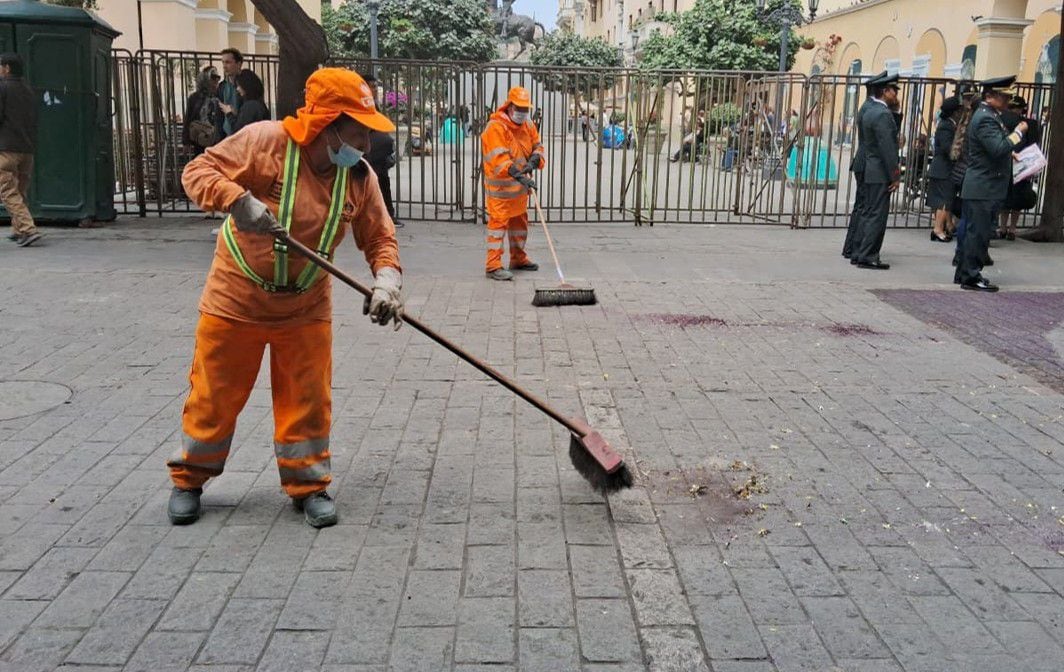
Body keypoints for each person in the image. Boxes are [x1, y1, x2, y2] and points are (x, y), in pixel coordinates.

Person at [168, 68, 403, 528]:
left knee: (308, 398)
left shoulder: (358, 175)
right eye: (358, 130)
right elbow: (198, 171)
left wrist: (388, 280)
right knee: (214, 395)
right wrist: (236, 199)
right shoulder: (266, 142)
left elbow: (379, 236)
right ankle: (189, 479)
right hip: (236, 299)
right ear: (328, 125)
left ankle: (308, 485)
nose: (367, 143)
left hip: (306, 304)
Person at [956, 76, 1026, 292]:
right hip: (984, 186)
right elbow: (997, 148)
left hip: (985, 185)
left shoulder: (990, 115)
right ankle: (971, 276)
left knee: (974, 232)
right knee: (978, 233)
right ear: (989, 96)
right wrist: (1018, 133)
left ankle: (965, 272)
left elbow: (994, 148)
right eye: (1003, 96)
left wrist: (1009, 153)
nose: (1007, 100)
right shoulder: (986, 117)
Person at [480, 86, 544, 281]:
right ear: (509, 106)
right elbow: (499, 159)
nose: (522, 113)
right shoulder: (496, 127)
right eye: (519, 108)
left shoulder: (528, 125)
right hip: (501, 189)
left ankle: (518, 258)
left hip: (518, 190)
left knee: (519, 224)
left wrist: (535, 158)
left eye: (525, 109)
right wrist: (520, 176)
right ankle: (493, 266)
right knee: (497, 227)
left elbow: (538, 146)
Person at [851, 72, 900, 270]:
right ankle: (868, 255)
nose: (896, 94)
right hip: (878, 170)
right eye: (893, 90)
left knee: (868, 212)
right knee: (876, 214)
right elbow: (888, 149)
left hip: (871, 168)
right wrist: (895, 175)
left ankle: (859, 251)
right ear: (885, 91)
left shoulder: (870, 110)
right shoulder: (882, 114)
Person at [0, 53, 41, 247]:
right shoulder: (28, 90)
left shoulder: (3, 87)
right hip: (27, 149)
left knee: (8, 191)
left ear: (6, 68)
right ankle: (18, 229)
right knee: (20, 191)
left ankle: (27, 229)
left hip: (7, 148)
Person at [841, 72, 882, 260]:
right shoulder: (873, 110)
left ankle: (852, 247)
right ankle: (857, 248)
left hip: (863, 161)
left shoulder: (866, 107)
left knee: (861, 207)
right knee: (866, 208)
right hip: (868, 163)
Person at [997, 95, 1041, 240]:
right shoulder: (1029, 124)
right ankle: (1012, 229)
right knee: (1017, 200)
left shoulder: (1002, 120)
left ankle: (1004, 228)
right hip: (1022, 164)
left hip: (1007, 163)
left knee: (1007, 198)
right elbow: (1034, 145)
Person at [363, 74, 402, 229]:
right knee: (371, 184)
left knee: (383, 183)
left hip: (379, 155)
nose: (373, 90)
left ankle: (388, 214)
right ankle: (375, 215)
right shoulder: (360, 105)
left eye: (374, 86)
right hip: (368, 154)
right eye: (370, 86)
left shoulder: (374, 104)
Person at [926, 96, 961, 242]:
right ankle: (938, 229)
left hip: (943, 169)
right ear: (954, 112)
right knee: (943, 201)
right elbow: (948, 148)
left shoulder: (948, 124)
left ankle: (944, 226)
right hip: (943, 169)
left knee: (945, 200)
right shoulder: (947, 125)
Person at [183, 66, 222, 156]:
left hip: (217, 139)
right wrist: (186, 142)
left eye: (217, 78)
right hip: (200, 138)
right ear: (205, 79)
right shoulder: (195, 98)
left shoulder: (220, 95)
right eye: (212, 78)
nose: (216, 81)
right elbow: (188, 119)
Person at [231, 68, 269, 134]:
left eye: (239, 85)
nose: (237, 89)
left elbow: (239, 131)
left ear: (246, 85)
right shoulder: (259, 103)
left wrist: (230, 115)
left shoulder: (249, 106)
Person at [217, 48, 243, 139]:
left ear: (238, 64)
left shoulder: (246, 85)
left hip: (242, 134)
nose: (224, 66)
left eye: (228, 62)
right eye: (223, 62)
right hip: (226, 136)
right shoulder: (222, 86)